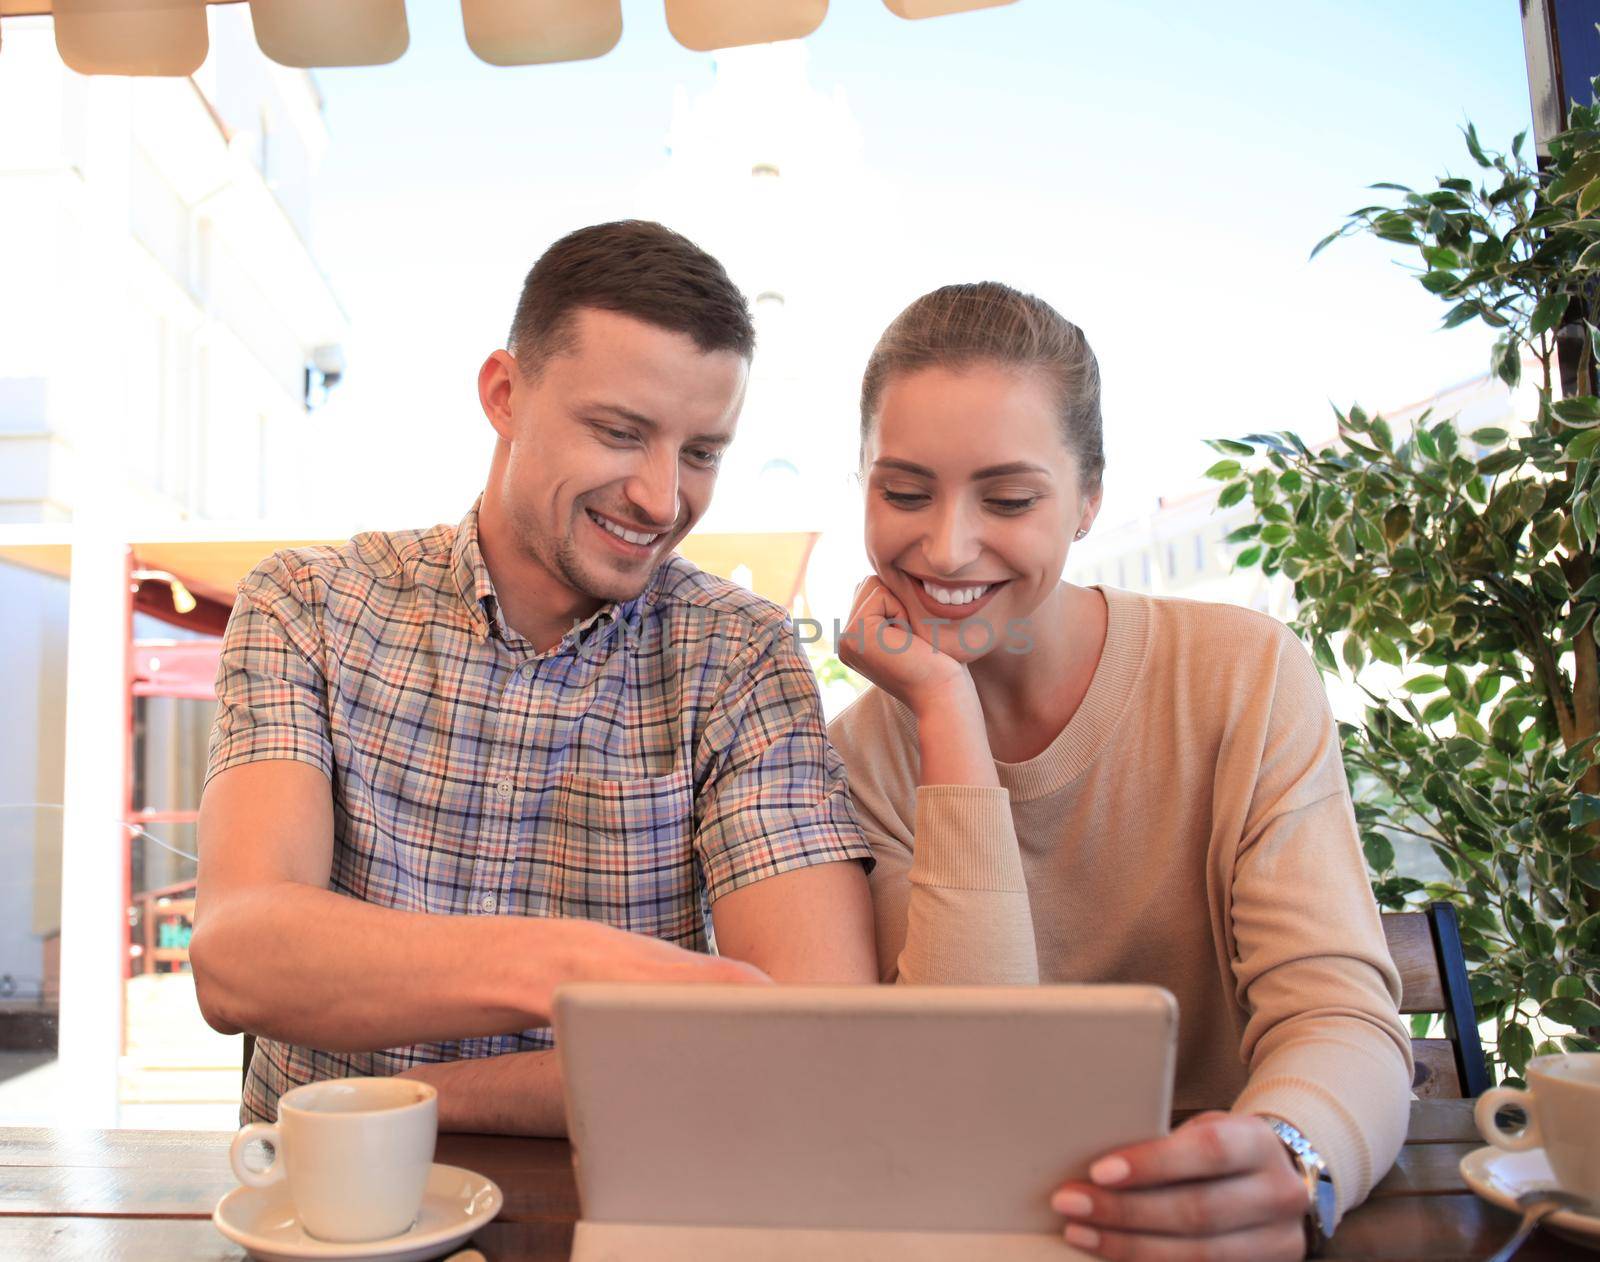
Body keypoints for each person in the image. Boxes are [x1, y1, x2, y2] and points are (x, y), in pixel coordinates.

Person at [191, 221, 877, 1134]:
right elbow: (238, 956)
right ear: (505, 394)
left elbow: (808, 1036)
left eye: (702, 451)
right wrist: (575, 973)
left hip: (599, 1210)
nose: (663, 497)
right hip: (326, 1220)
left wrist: (410, 1111)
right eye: (619, 432)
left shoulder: (739, 653)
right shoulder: (308, 603)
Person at [828, 282, 1411, 1260]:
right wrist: (944, 707)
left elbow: (1336, 1007)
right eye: (903, 491)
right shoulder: (862, 753)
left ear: (1089, 497)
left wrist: (1289, 1153)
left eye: (1009, 497)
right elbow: (972, 1072)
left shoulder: (1241, 674)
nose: (945, 544)